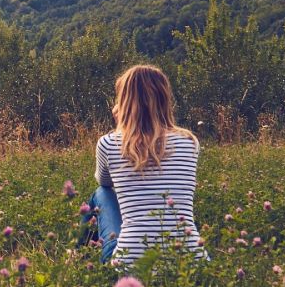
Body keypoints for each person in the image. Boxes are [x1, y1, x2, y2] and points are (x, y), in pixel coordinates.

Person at [84, 64, 207, 263]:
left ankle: (79, 254)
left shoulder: (108, 143)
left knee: (100, 193)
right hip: (193, 263)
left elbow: (104, 182)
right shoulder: (190, 142)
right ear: (164, 99)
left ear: (123, 102)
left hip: (130, 264)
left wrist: (120, 128)